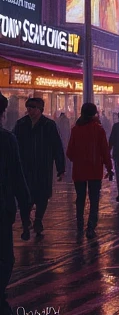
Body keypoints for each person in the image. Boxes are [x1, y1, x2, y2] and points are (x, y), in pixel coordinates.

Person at [13, 96, 65, 239]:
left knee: (42, 196)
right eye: (28, 107)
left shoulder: (48, 125)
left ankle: (38, 220)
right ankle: (25, 224)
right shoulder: (21, 124)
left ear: (40, 109)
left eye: (33, 107)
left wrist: (61, 168)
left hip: (43, 167)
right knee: (25, 197)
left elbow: (57, 146)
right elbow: (14, 146)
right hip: (25, 168)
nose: (30, 110)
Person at [0, 92, 30, 315]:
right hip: (2, 209)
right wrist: (25, 206)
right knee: (5, 258)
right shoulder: (7, 140)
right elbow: (18, 176)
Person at [66, 103, 113, 238]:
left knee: (80, 199)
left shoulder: (75, 129)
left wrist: (78, 159)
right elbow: (105, 151)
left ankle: (79, 225)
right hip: (94, 170)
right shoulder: (99, 129)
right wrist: (109, 168)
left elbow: (69, 152)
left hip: (79, 171)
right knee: (94, 199)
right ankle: (91, 226)